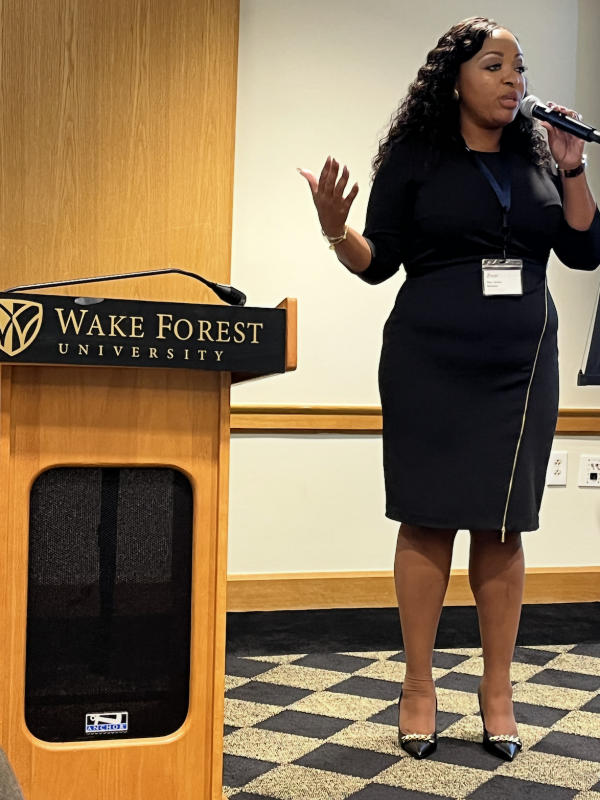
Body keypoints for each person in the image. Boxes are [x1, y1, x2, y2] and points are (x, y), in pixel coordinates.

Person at [299, 17, 600, 762]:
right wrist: (337, 230)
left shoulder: (539, 157)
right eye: (495, 65)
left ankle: (498, 691)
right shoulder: (416, 157)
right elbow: (378, 263)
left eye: (519, 68)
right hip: (429, 358)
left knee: (503, 525)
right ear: (455, 79)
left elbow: (584, 249)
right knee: (428, 519)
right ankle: (419, 686)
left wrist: (571, 167)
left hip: (520, 364)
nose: (513, 81)